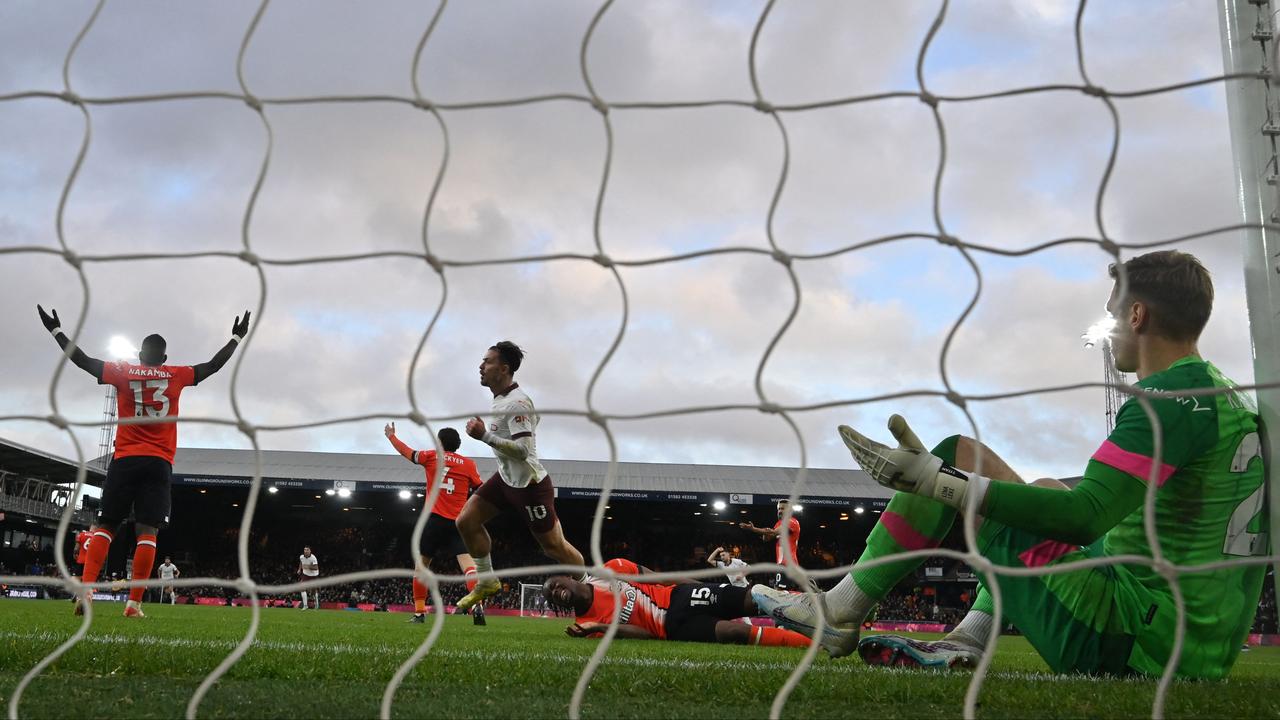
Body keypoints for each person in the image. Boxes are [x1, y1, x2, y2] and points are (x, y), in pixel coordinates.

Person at [755, 250, 1269, 679]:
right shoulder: (1225, 397)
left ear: (1137, 316)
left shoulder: (1167, 399)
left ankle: (842, 607)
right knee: (1046, 487)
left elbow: (1086, 517)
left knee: (956, 454)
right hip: (1194, 646)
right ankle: (967, 640)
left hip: (1133, 642)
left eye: (1113, 313)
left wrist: (947, 486)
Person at [37, 305, 250, 618]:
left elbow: (81, 360)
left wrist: (56, 330)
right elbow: (212, 366)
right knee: (147, 531)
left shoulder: (123, 373)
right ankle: (134, 604)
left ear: (139, 354)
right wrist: (236, 337)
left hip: (125, 458)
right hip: (158, 462)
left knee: (107, 525)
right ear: (164, 359)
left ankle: (87, 589)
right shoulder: (176, 374)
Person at [454, 341, 587, 612]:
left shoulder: (517, 403)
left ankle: (590, 585)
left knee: (554, 547)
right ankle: (487, 581)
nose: (481, 366)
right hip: (505, 480)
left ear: (503, 369)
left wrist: (484, 436)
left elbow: (524, 451)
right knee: (466, 521)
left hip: (529, 486)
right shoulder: (503, 399)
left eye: (487, 361)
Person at [545, 558, 810, 647]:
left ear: (569, 577)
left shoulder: (610, 570)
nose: (555, 591)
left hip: (678, 596)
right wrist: (598, 629)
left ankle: (820, 607)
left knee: (755, 599)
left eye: (555, 584)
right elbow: (646, 635)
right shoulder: (584, 626)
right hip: (672, 628)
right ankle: (816, 643)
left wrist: (697, 586)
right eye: (550, 594)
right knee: (736, 632)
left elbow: (659, 578)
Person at [384, 422, 486, 625]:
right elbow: (481, 489)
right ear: (457, 445)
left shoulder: (431, 456)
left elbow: (408, 452)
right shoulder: (469, 464)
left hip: (434, 520)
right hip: (459, 522)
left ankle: (420, 613)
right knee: (469, 568)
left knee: (421, 568)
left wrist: (391, 437)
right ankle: (477, 606)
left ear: (439, 442)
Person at [739, 500, 802, 590]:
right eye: (779, 509)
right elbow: (766, 539)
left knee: (780, 593)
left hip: (788, 563)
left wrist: (753, 529)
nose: (780, 511)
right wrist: (766, 532)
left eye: (783, 509)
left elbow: (773, 533)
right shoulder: (778, 524)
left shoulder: (792, 521)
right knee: (784, 593)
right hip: (782, 564)